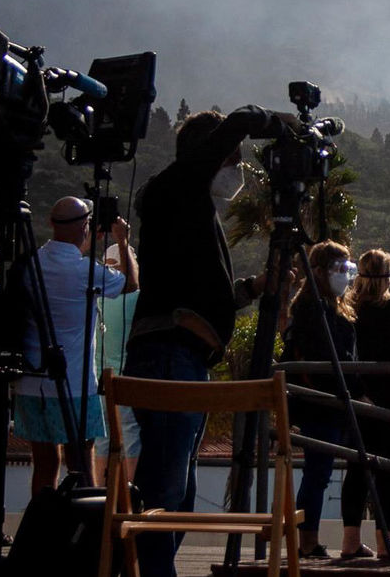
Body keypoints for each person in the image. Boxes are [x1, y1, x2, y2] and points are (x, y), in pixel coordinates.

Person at [122, 106, 289, 577]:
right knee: (166, 486)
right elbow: (234, 123)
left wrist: (253, 290)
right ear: (207, 154)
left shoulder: (189, 211)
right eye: (231, 159)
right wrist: (271, 122)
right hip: (169, 355)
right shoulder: (177, 186)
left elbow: (201, 297)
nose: (235, 169)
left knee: (181, 488)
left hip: (184, 356)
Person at [15, 196, 137, 496]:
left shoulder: (30, 264)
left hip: (31, 381)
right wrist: (123, 242)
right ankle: (87, 535)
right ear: (85, 227)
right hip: (74, 385)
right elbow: (131, 282)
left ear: (50, 224)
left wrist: (83, 236)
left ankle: (44, 531)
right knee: (81, 463)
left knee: (45, 465)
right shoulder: (85, 271)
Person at [282, 240, 358, 559]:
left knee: (321, 471)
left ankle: (309, 539)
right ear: (318, 273)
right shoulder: (313, 308)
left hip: (330, 401)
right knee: (318, 472)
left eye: (347, 269)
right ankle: (308, 540)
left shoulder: (331, 306)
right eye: (338, 269)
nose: (344, 276)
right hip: (319, 402)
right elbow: (321, 354)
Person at [337, 248, 390, 560]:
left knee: (356, 470)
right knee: (388, 474)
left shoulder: (347, 309)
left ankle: (350, 541)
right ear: (389, 277)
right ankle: (385, 542)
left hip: (356, 398)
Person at [93, 244, 141, 486]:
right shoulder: (137, 297)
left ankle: (101, 493)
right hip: (126, 379)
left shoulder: (97, 296)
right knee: (130, 437)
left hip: (99, 379)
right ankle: (127, 496)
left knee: (102, 438)